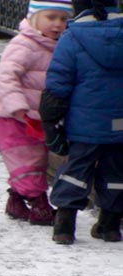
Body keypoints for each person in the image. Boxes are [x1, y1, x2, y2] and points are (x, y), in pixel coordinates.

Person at [39, 0, 123, 244]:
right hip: (120, 125)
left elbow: (58, 84)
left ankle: (64, 226)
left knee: (76, 170)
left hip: (84, 125)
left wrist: (51, 122)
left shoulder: (72, 37)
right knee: (117, 172)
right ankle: (109, 226)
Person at [0, 0, 74, 225]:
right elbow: (6, 76)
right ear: (35, 18)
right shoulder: (24, 45)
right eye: (51, 17)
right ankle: (39, 204)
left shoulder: (60, 46)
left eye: (64, 19)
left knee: (37, 160)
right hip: (15, 117)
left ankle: (16, 201)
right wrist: (17, 107)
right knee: (24, 160)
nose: (57, 24)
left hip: (39, 118)